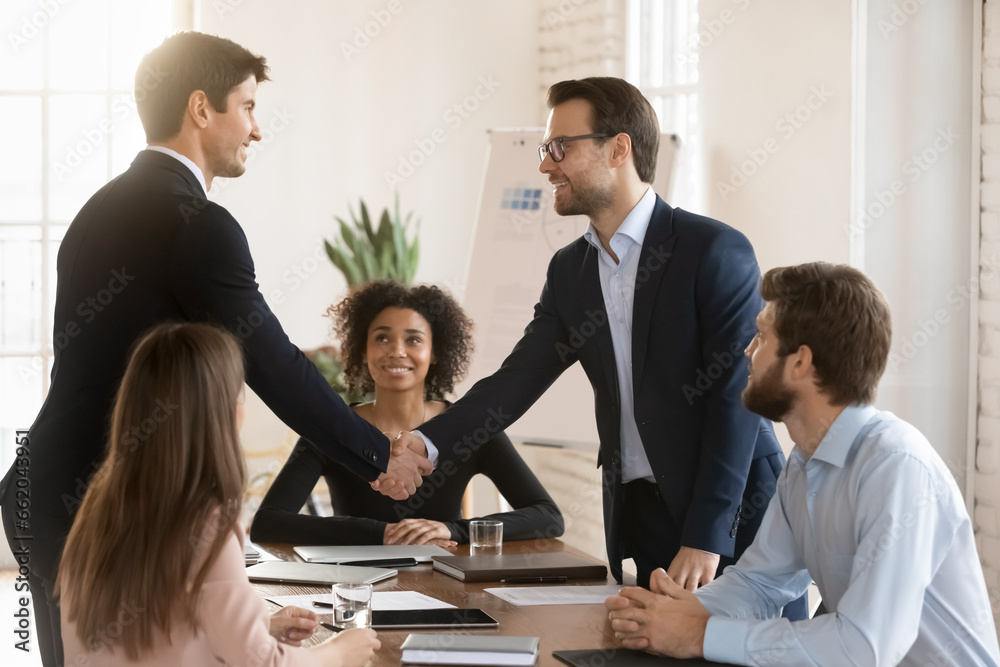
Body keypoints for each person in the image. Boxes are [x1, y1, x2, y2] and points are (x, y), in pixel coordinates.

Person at [0, 31, 427, 666]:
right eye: (248, 107)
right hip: (106, 502)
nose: (256, 129)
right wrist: (376, 455)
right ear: (202, 109)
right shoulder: (199, 225)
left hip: (49, 490)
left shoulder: (95, 212)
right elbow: (273, 361)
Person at [389, 77, 801, 611]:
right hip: (642, 513)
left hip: (734, 514)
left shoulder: (714, 251)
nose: (545, 165)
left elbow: (734, 399)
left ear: (618, 148)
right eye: (545, 149)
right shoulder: (571, 271)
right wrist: (427, 442)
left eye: (560, 147)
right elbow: (516, 381)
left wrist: (706, 534)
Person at [606, 262, 1000, 666]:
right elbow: (760, 584)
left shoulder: (896, 467)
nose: (748, 351)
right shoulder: (805, 459)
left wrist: (700, 634)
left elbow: (864, 648)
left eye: (761, 337)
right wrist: (674, 613)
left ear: (800, 362)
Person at [56, 322, 381, 666]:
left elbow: (156, 626)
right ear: (223, 411)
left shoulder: (100, 503)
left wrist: (261, 626)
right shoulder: (207, 522)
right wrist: (338, 653)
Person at [251, 281, 565, 546]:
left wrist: (453, 530)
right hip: (358, 588)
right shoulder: (335, 428)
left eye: (413, 339)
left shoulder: (470, 427)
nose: (397, 350)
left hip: (448, 586)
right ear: (363, 350)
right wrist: (384, 534)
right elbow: (268, 523)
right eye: (382, 338)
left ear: (436, 351)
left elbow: (547, 517)